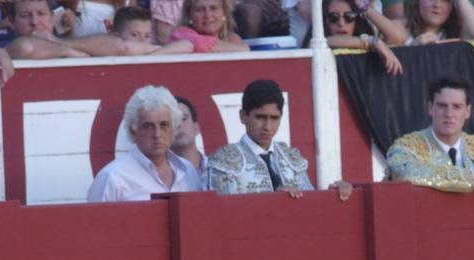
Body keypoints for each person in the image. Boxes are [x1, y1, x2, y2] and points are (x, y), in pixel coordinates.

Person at [208, 79, 356, 198]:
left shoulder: (291, 159)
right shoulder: (224, 161)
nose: (267, 126)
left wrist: (332, 194)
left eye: (274, 118)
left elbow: (311, 204)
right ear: (243, 116)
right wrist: (275, 200)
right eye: (260, 117)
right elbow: (224, 214)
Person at [87, 85, 203, 202]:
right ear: (133, 131)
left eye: (164, 125)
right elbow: (95, 220)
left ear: (174, 128)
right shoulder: (112, 178)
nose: (157, 134)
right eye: (147, 126)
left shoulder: (188, 171)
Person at [5, 0, 192, 58]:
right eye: (25, 16)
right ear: (11, 21)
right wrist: (72, 52)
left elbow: (119, 44)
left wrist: (59, 42)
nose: (35, 21)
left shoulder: (58, 36)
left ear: (53, 17)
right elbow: (25, 48)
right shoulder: (4, 40)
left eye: (41, 14)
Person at [304, 0, 407, 76]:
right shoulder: (316, 44)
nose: (341, 23)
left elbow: (398, 38)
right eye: (333, 17)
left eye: (349, 16)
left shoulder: (369, 44)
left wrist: (364, 7)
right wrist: (372, 41)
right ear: (324, 21)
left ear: (356, 20)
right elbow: (324, 41)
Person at [171, 0, 249, 52]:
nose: (207, 15)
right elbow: (198, 43)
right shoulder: (181, 33)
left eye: (213, 8)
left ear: (224, 13)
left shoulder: (231, 38)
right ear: (189, 15)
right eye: (200, 9)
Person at [403, 0, 474, 44]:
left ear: (451, 7)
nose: (436, 4)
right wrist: (413, 49)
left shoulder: (458, 33)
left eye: (445, 0)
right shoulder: (401, 29)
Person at [173, 96, 207, 177]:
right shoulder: (162, 176)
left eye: (183, 119)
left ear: (196, 128)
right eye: (172, 120)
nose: (179, 125)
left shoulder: (216, 167)